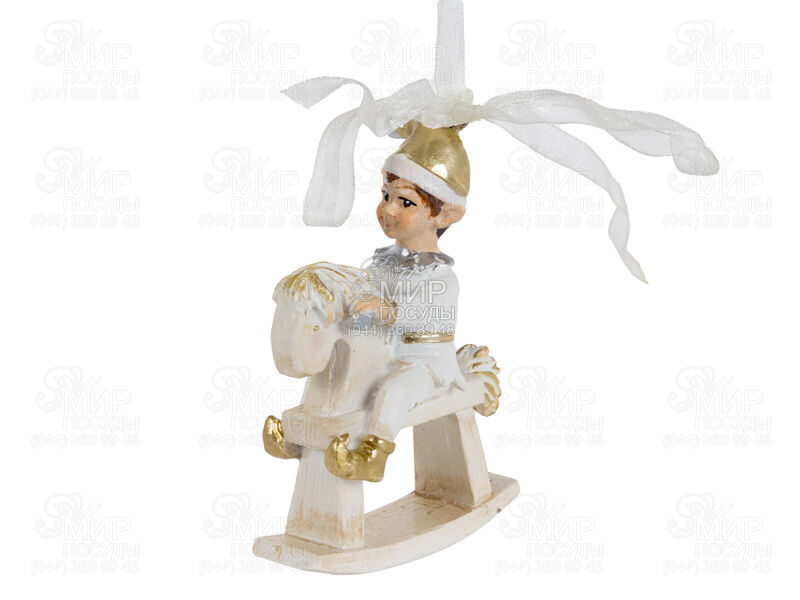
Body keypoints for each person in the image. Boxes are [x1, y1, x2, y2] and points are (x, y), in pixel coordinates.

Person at [323, 121, 471, 482]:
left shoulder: (440, 276)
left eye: (405, 202)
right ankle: (304, 435)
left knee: (394, 390)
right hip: (381, 351)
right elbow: (362, 294)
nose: (388, 209)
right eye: (385, 195)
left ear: (444, 214)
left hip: (424, 362)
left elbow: (424, 314)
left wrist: (387, 309)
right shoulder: (381, 263)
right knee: (335, 365)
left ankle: (373, 456)